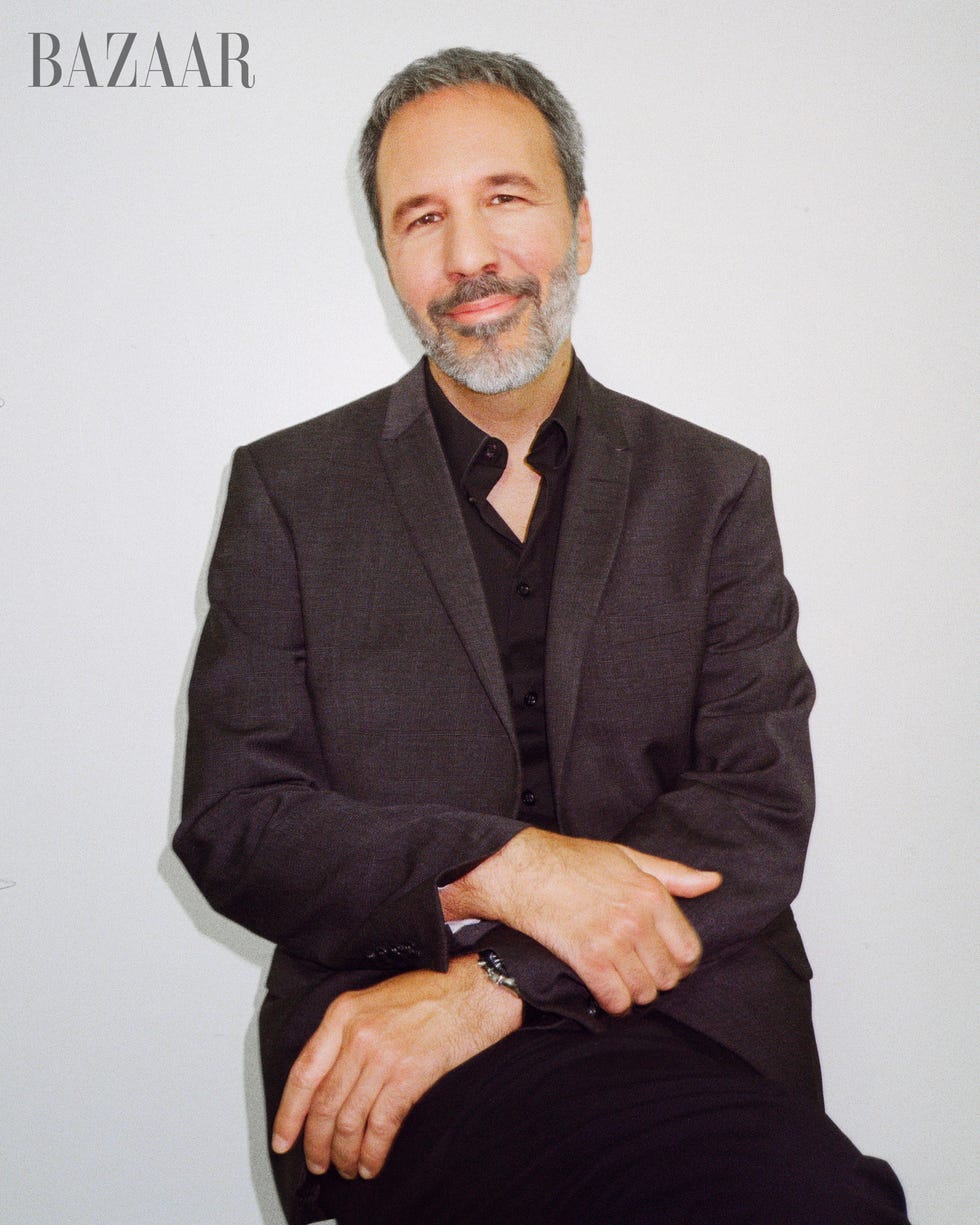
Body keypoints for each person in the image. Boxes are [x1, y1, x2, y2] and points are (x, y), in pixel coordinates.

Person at [174, 47, 909, 1225]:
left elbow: (755, 813)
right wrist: (505, 863)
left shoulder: (715, 488)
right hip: (392, 1045)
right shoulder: (287, 493)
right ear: (386, 254)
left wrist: (498, 982)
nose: (467, 255)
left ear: (577, 223)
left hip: (688, 1023)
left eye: (504, 199)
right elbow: (237, 822)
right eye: (422, 217)